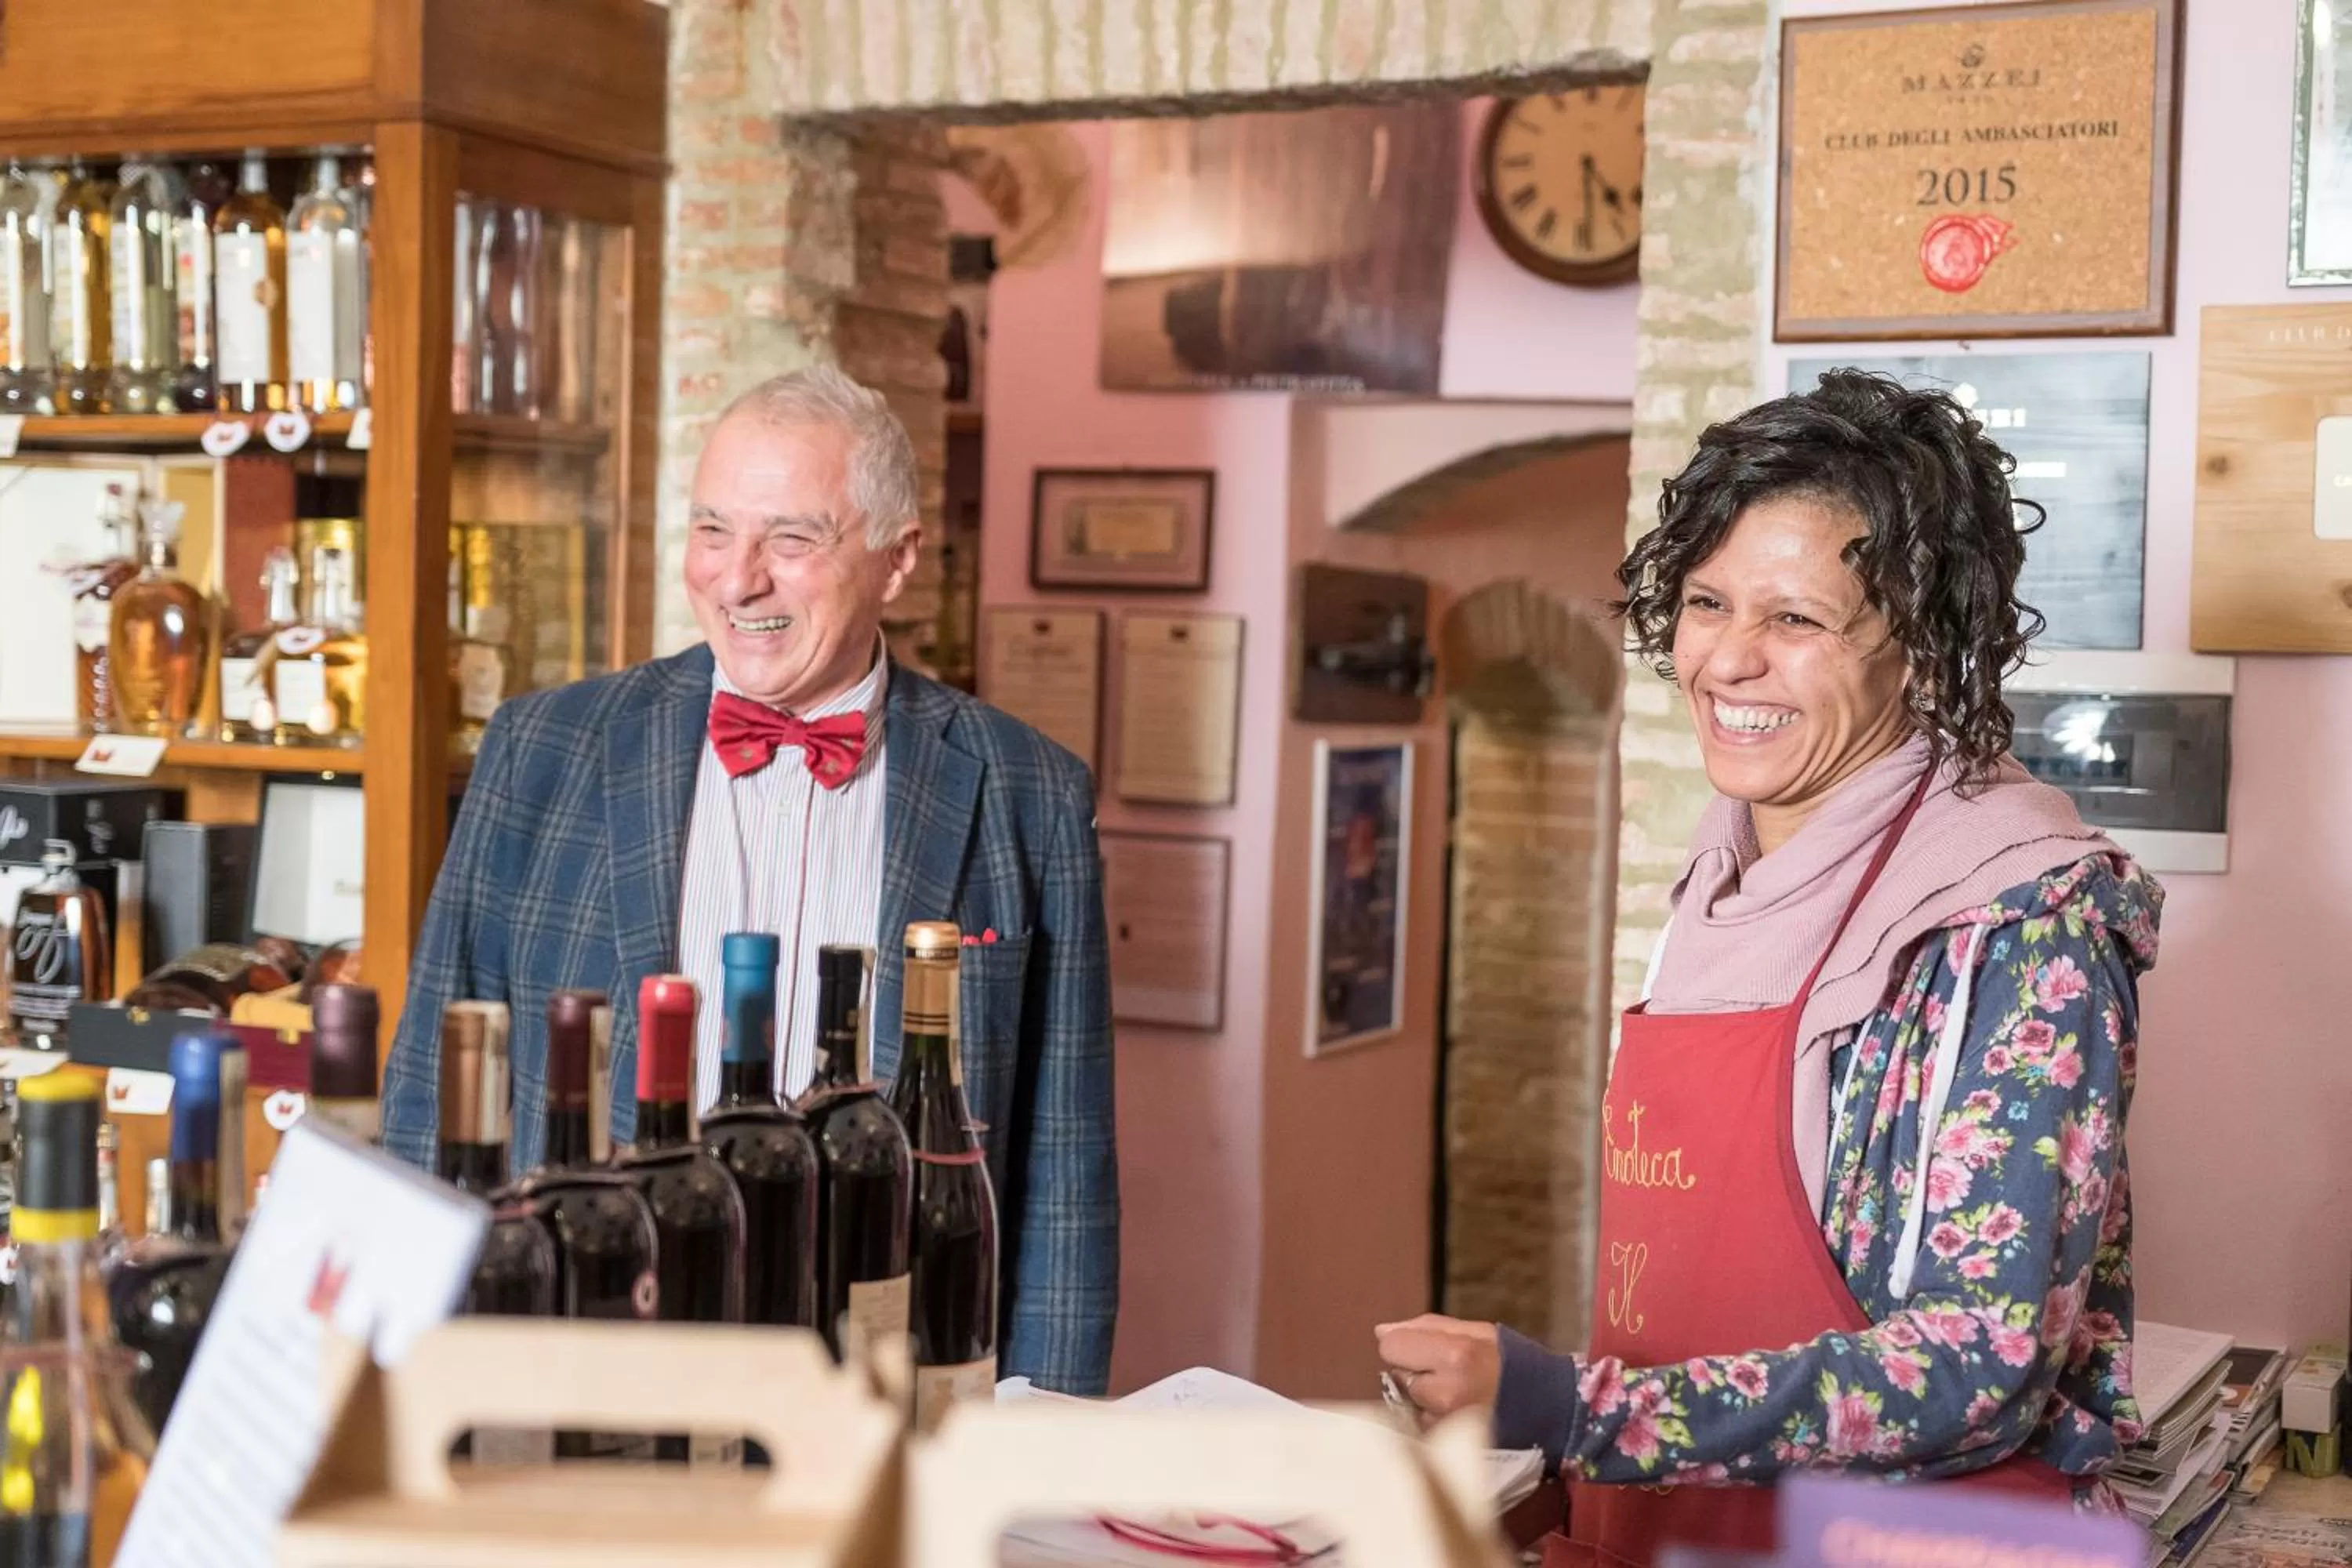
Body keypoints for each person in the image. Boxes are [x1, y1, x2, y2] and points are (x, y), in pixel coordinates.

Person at [1374, 372, 2161, 1563]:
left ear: (1921, 643)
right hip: (1671, 1531)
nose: (1730, 660)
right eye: (1705, 602)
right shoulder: (1720, 871)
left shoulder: (2020, 922)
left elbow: (1980, 1367)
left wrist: (1573, 1407)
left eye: (1796, 620)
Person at [381, 365, 1118, 1394]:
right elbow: (432, 1099)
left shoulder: (1026, 791)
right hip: (587, 1357)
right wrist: (406, 1388)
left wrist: (1044, 1454)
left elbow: (1065, 1172)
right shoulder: (543, 750)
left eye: (792, 540)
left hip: (895, 1376)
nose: (738, 580)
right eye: (714, 530)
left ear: (898, 560)